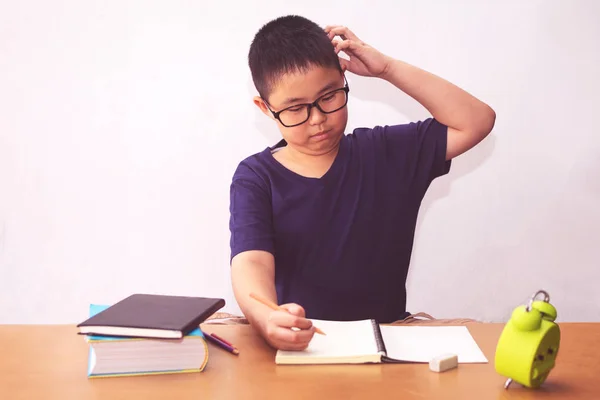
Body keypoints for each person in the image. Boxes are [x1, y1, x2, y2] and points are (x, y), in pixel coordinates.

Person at [228, 15, 496, 351]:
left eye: (328, 96)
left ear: (344, 78)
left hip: (387, 343)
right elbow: (251, 261)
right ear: (265, 109)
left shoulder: (387, 153)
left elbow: (477, 121)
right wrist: (264, 316)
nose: (317, 119)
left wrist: (387, 69)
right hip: (301, 346)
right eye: (295, 109)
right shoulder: (256, 177)